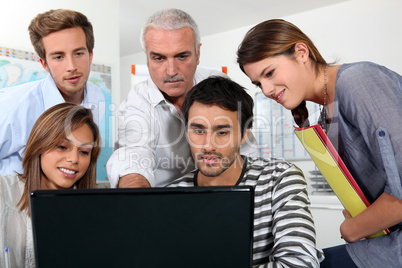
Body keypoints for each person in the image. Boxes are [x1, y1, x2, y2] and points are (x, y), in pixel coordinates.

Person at [237, 19, 402, 268]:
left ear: (301, 52)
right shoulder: (325, 110)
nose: (267, 89)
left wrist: (353, 228)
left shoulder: (358, 81)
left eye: (269, 73)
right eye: (258, 83)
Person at [166, 76, 323, 267]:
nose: (208, 145)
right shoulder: (171, 195)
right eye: (198, 131)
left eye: (222, 132)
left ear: (244, 135)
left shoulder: (279, 179)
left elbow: (300, 264)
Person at [106, 8, 259, 188]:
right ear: (147, 58)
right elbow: (133, 156)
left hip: (224, 192)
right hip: (165, 203)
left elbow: (245, 149)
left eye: (182, 56)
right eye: (159, 58)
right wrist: (140, 203)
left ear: (198, 53)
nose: (171, 71)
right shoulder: (137, 103)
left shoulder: (217, 83)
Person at [0, 9, 105, 175]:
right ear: (44, 64)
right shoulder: (12, 105)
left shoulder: (96, 96)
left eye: (78, 53)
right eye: (58, 57)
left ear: (90, 55)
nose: (71, 66)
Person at [0, 102, 101, 268]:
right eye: (62, 147)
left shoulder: (93, 214)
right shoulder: (3, 190)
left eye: (84, 152)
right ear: (39, 146)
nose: (74, 159)